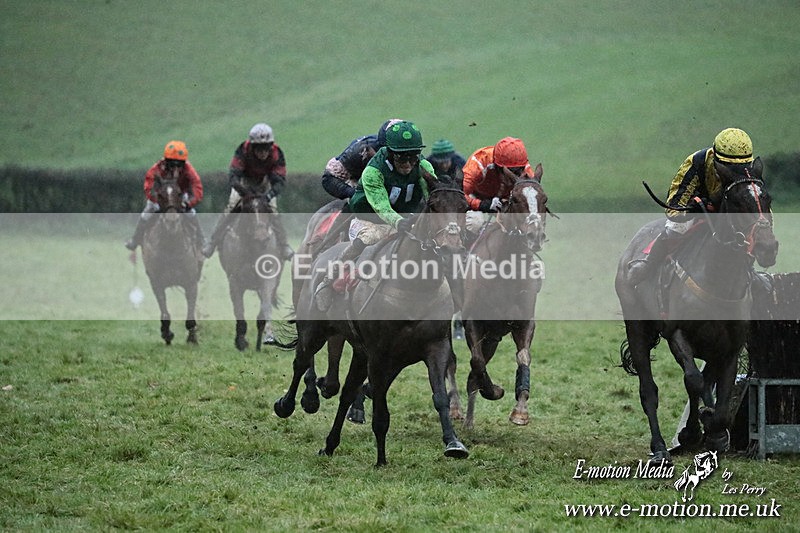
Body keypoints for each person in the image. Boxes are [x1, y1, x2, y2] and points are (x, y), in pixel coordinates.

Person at [314, 120, 437, 310]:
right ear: (388, 151)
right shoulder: (368, 166)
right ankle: (328, 280)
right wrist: (398, 221)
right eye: (401, 157)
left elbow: (432, 196)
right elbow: (381, 206)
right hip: (367, 212)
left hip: (402, 214)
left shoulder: (423, 166)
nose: (407, 163)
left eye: (412, 157)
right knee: (370, 235)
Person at [627, 127, 757, 285]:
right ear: (715, 159)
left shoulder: (748, 171)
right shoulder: (696, 162)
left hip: (728, 214)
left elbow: (759, 202)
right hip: (696, 211)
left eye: (738, 168)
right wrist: (693, 210)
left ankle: (751, 276)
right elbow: (673, 208)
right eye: (728, 168)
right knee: (676, 228)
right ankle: (649, 264)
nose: (734, 173)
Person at [203, 123, 293, 260]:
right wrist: (245, 193)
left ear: (271, 146)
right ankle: (212, 242)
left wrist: (268, 196)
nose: (262, 152)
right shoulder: (243, 150)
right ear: (252, 146)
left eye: (265, 148)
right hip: (244, 183)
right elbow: (233, 177)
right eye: (258, 148)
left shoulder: (277, 153)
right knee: (231, 207)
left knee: (273, 210)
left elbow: (279, 181)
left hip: (265, 183)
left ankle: (284, 245)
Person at [125, 140, 205, 251]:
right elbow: (148, 186)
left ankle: (202, 241)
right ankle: (135, 240)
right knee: (147, 212)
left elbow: (197, 187)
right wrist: (156, 199)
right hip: (160, 197)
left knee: (191, 213)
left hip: (180, 196)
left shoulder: (188, 169)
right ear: (166, 161)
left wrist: (189, 203)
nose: (176, 168)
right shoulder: (157, 168)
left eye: (179, 164)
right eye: (172, 164)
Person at [462, 136, 536, 235]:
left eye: (518, 171)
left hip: (506, 198)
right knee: (475, 223)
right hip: (475, 195)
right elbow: (459, 194)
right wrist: (481, 204)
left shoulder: (527, 172)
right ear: (497, 166)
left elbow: (532, 202)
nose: (513, 176)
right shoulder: (479, 161)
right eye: (510, 171)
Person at [320, 118, 404, 200]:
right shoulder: (362, 151)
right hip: (350, 180)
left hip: (380, 179)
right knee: (364, 201)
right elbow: (328, 179)